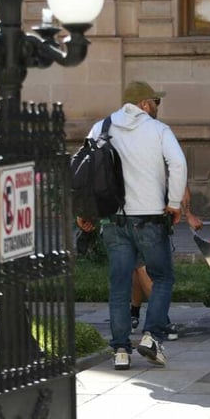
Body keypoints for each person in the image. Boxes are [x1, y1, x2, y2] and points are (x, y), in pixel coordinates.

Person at [77, 81, 187, 370]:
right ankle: (152, 335)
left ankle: (121, 351)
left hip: (113, 218)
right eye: (156, 103)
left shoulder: (101, 127)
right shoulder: (158, 130)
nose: (157, 108)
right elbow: (178, 164)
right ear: (144, 104)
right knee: (162, 276)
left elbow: (84, 170)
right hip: (149, 216)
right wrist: (174, 203)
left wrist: (85, 211)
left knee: (120, 285)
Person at [131, 187, 203, 335]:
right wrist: (188, 214)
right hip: (143, 217)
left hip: (138, 216)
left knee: (139, 265)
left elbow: (182, 184)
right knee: (145, 267)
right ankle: (160, 319)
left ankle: (134, 313)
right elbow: (181, 183)